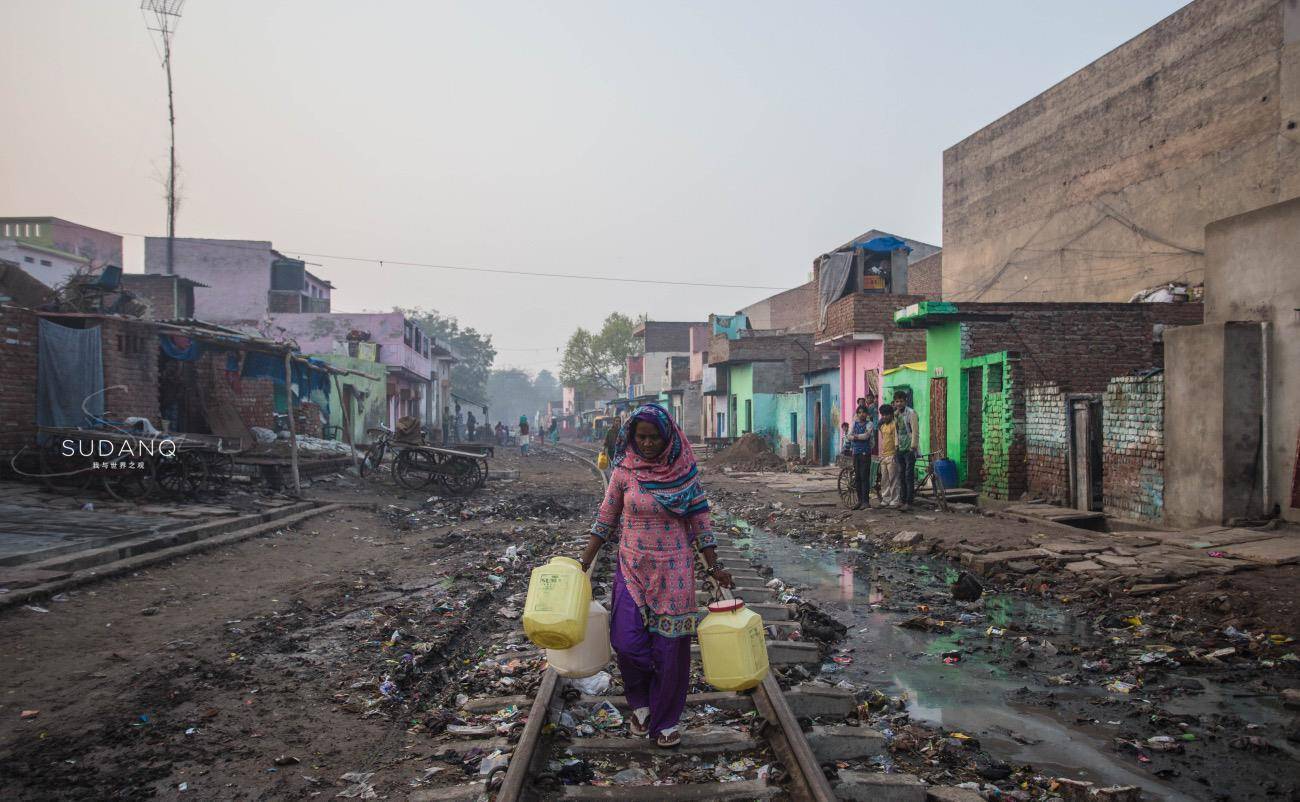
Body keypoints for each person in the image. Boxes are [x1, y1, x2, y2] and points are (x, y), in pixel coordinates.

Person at [577, 404, 732, 748]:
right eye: (640, 437)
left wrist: (714, 566)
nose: (646, 444)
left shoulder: (685, 474)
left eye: (654, 437)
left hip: (674, 572)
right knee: (627, 643)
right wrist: (583, 562)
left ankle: (664, 722)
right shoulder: (623, 472)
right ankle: (642, 702)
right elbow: (605, 518)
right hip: (632, 567)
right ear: (631, 437)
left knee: (670, 652)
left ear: (667, 437)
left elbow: (701, 523)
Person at [892, 390, 919, 511]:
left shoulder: (911, 413)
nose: (899, 403)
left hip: (909, 448)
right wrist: (896, 445)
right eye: (897, 401)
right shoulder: (896, 414)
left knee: (909, 475)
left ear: (905, 401)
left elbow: (915, 431)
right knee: (901, 475)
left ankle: (909, 502)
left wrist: (913, 446)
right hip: (900, 448)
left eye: (901, 401)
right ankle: (902, 500)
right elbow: (896, 432)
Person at [847, 407, 876, 510]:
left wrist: (855, 436)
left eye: (863, 412)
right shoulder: (853, 423)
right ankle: (859, 501)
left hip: (865, 453)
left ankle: (866, 501)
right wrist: (857, 437)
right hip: (856, 452)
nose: (862, 414)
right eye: (859, 412)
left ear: (867, 414)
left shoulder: (870, 424)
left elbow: (866, 436)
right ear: (857, 414)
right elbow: (848, 436)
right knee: (858, 477)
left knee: (864, 477)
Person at [877, 404, 900, 508]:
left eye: (886, 415)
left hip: (892, 455)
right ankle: (885, 499)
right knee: (884, 480)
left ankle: (895, 500)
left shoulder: (894, 425)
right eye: (883, 415)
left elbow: (896, 440)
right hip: (884, 456)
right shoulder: (882, 426)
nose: (884, 417)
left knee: (893, 479)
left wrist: (895, 453)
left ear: (891, 415)